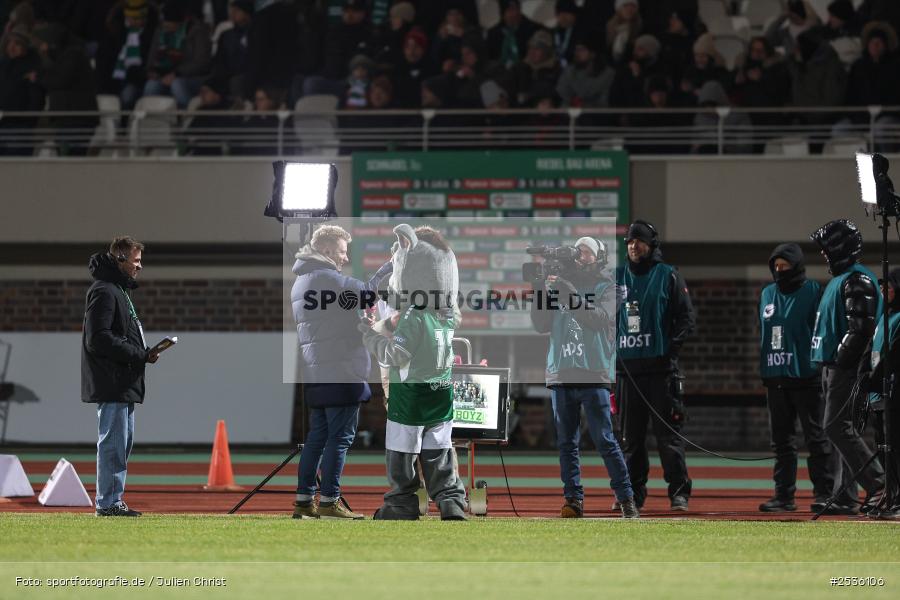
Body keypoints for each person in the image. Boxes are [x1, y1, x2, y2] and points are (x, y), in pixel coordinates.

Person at [359, 224, 467, 521]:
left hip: (410, 395)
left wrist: (370, 337)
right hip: (441, 393)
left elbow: (397, 354)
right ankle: (452, 503)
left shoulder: (413, 313)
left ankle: (401, 504)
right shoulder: (447, 314)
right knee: (440, 454)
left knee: (401, 455)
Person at [530, 238, 638, 519]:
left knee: (604, 439)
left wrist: (569, 295)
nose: (582, 255)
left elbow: (599, 319)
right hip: (562, 371)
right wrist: (540, 288)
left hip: (593, 372)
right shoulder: (561, 285)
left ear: (600, 257)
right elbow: (541, 324)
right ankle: (573, 499)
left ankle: (626, 497)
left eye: (588, 251)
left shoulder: (610, 288)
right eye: (579, 250)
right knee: (566, 442)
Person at [289, 225, 392, 519]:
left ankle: (304, 501)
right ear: (326, 251)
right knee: (341, 438)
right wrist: (386, 269)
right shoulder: (328, 278)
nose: (345, 259)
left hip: (316, 371)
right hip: (341, 369)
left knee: (317, 438)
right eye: (342, 252)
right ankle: (329, 500)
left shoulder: (301, 281)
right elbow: (367, 294)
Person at [615, 220, 694, 511]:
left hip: (661, 372)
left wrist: (669, 353)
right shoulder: (616, 278)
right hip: (628, 374)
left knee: (668, 438)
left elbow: (686, 320)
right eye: (630, 242)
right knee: (631, 440)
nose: (634, 246)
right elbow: (602, 320)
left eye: (640, 241)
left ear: (652, 245)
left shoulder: (668, 276)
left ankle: (679, 493)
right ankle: (633, 494)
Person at [810, 219, 885, 514]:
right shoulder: (841, 281)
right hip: (834, 365)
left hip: (846, 367)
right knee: (840, 428)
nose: (823, 255)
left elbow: (860, 329)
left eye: (827, 249)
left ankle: (878, 484)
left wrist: (842, 362)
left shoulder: (857, 281)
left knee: (836, 426)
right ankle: (845, 495)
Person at [757, 243, 839, 513]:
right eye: (776, 266)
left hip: (807, 377)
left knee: (816, 439)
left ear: (797, 266)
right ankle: (784, 496)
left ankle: (824, 493)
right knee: (781, 442)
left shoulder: (813, 291)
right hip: (776, 377)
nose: (780, 271)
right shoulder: (767, 293)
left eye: (785, 266)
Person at [82, 236, 159, 517]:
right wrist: (137, 354)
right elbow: (98, 338)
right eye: (136, 261)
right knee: (113, 443)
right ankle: (108, 503)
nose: (140, 267)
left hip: (122, 380)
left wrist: (142, 354)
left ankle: (113, 500)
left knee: (120, 444)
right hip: (112, 380)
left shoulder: (116, 290)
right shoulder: (105, 291)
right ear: (120, 260)